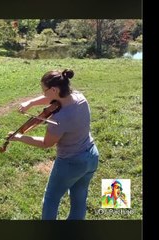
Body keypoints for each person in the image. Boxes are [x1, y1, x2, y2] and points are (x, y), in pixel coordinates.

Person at [8, 69, 99, 220]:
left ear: (54, 89)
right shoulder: (80, 97)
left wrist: (19, 137)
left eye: (44, 91)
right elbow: (55, 100)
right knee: (79, 198)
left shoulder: (59, 119)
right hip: (91, 156)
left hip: (71, 162)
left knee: (51, 199)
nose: (43, 94)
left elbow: (46, 143)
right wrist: (30, 103)